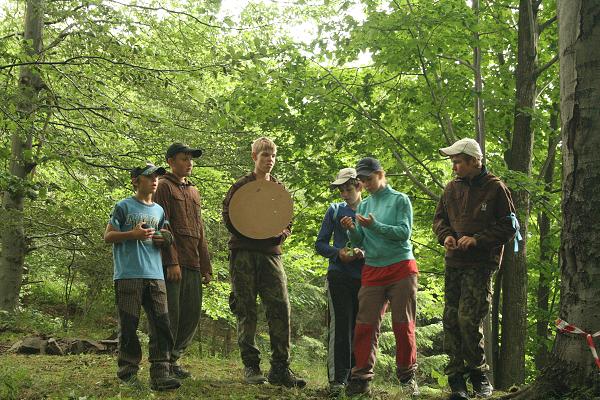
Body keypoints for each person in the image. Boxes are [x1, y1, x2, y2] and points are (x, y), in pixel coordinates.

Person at [433, 138, 517, 400]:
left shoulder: (495, 188)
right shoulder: (450, 189)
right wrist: (445, 236)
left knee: (469, 319)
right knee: (451, 318)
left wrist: (477, 239)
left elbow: (510, 226)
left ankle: (479, 375)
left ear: (474, 161)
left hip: (480, 264)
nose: (454, 167)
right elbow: (439, 220)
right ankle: (456, 379)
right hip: (453, 262)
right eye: (453, 162)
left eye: (458, 162)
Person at [222, 137, 306, 388]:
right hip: (244, 254)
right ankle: (251, 366)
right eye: (264, 156)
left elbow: (286, 219)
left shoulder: (278, 189)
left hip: (271, 254)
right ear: (254, 158)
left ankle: (280, 368)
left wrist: (280, 234)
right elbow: (229, 215)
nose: (269, 160)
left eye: (272, 156)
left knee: (280, 307)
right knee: (246, 308)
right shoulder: (241, 186)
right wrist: (250, 230)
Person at [341, 157, 420, 397]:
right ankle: (361, 378)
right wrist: (353, 230)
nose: (366, 183)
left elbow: (403, 234)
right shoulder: (363, 206)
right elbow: (361, 242)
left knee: (402, 324)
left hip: (400, 268)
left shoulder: (399, 200)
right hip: (373, 268)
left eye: (369, 178)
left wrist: (375, 226)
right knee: (365, 324)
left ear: (381, 174)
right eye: (362, 180)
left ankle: (407, 377)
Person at [104, 163, 181, 391]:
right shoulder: (123, 206)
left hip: (155, 275)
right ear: (136, 180)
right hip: (128, 275)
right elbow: (108, 236)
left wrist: (164, 239)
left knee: (161, 325)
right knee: (129, 325)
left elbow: (167, 234)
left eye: (157, 176)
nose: (154, 180)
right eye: (149, 176)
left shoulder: (159, 210)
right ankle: (128, 374)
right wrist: (133, 234)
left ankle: (160, 375)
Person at [152, 143, 213, 379]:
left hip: (194, 261)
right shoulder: (164, 187)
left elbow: (200, 229)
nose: (189, 163)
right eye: (183, 158)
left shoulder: (194, 191)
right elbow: (162, 225)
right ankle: (163, 362)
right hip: (173, 264)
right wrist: (171, 262)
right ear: (170, 161)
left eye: (191, 159)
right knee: (171, 315)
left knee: (191, 314)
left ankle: (175, 358)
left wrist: (206, 266)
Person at [315, 168, 365, 394]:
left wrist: (365, 252)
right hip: (339, 275)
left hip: (366, 276)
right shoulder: (334, 211)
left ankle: (358, 378)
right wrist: (338, 254)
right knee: (341, 326)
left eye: (348, 189)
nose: (344, 194)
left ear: (359, 186)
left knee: (361, 327)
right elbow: (320, 244)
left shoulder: (371, 210)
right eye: (341, 190)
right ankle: (337, 380)